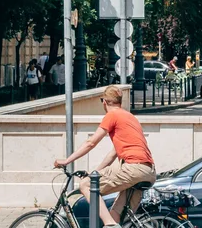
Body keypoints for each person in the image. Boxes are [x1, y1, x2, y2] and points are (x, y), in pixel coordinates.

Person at [54, 86, 156, 225]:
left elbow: (91, 142)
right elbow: (113, 154)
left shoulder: (112, 115)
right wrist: (96, 172)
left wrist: (67, 161)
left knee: (86, 185)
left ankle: (109, 224)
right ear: (120, 101)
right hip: (148, 171)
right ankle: (113, 223)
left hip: (133, 168)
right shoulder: (130, 117)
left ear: (104, 102)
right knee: (116, 213)